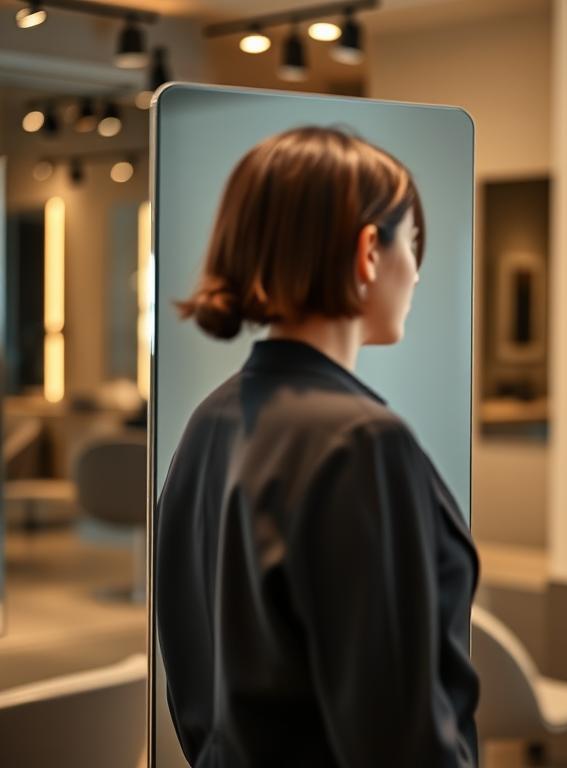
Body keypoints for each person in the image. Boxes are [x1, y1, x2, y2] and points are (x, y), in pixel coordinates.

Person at [155, 127, 478, 767]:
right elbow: (400, 741)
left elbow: (195, 680)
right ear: (368, 253)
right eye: (411, 244)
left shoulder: (208, 423)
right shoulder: (361, 445)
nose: (415, 271)